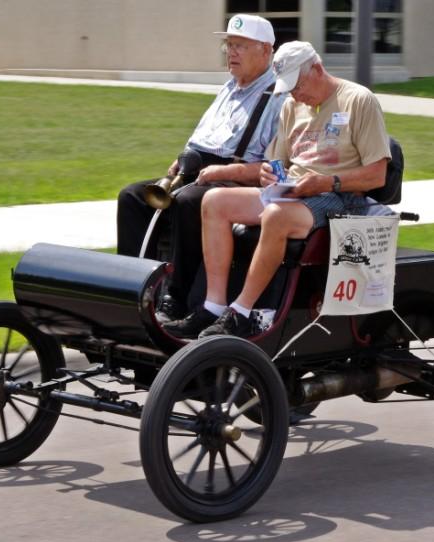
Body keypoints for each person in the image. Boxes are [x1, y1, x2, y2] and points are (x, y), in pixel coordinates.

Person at [164, 41, 392, 338]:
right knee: (214, 201)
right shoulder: (292, 106)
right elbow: (276, 162)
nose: (296, 94)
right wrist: (269, 173)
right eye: (290, 88)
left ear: (318, 69)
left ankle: (242, 312)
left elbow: (377, 174)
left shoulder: (358, 100)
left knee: (275, 215)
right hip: (295, 193)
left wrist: (326, 182)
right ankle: (213, 306)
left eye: (298, 85)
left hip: (340, 196)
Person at [116, 14, 285, 321]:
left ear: (265, 50)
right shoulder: (229, 88)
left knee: (188, 201)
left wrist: (221, 173)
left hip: (239, 176)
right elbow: (203, 138)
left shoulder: (278, 97)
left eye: (240, 46)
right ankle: (132, 291)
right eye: (229, 45)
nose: (230, 53)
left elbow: (273, 167)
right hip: (196, 169)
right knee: (132, 197)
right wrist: (182, 160)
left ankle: (176, 298)